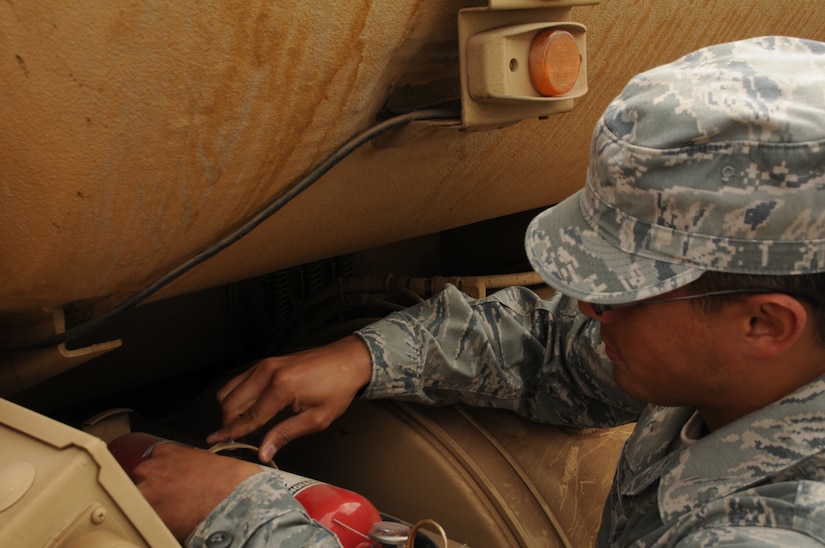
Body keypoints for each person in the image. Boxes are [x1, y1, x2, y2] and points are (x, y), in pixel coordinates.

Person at [133, 35, 825, 547]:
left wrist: (242, 515)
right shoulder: (754, 357)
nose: (588, 307)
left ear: (765, 324)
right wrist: (366, 357)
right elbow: (558, 347)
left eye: (618, 293)